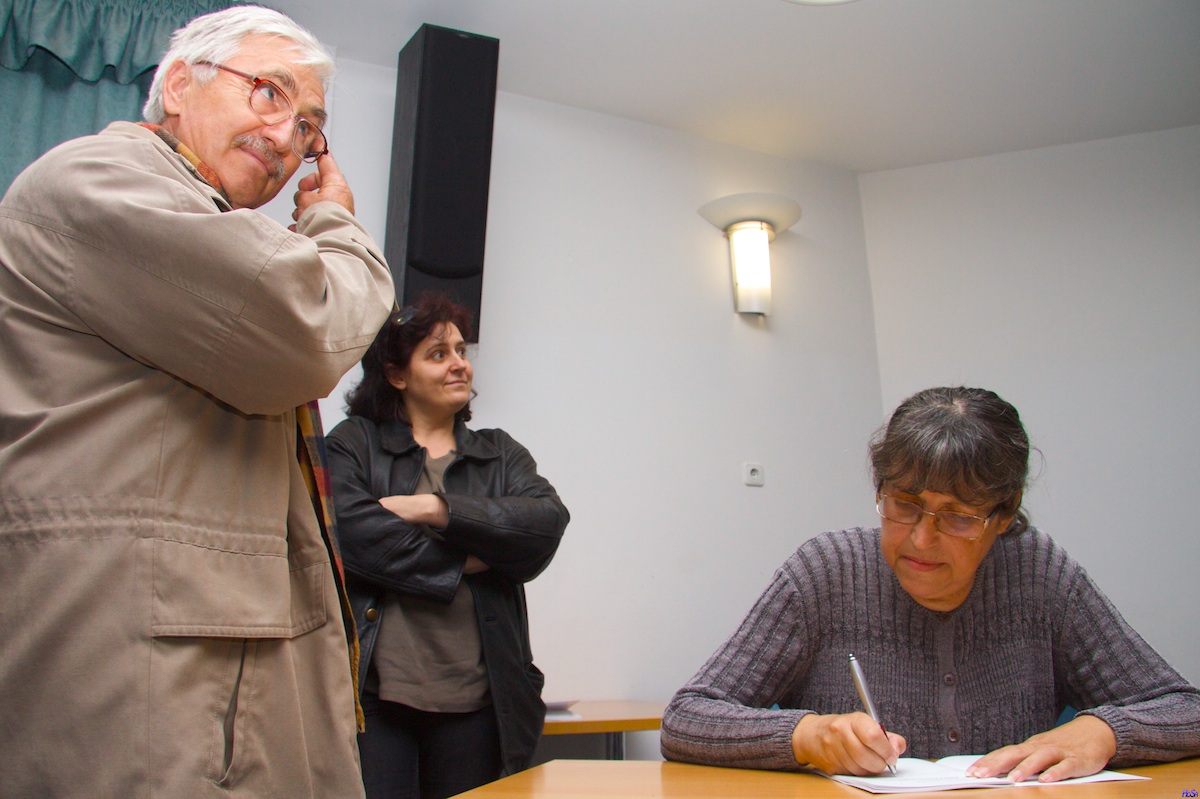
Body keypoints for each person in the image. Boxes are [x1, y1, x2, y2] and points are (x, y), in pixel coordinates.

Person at [0, 6, 394, 797]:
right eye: (270, 93)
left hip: (203, 659)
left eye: (310, 127)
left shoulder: (208, 224)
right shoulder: (99, 178)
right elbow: (309, 328)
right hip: (145, 671)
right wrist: (335, 225)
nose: (287, 136)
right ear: (179, 85)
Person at [661, 387, 1200, 783]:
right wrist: (805, 737)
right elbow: (687, 719)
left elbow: (1184, 709)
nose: (921, 539)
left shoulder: (1039, 575)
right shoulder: (827, 573)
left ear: (1003, 514)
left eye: (958, 517)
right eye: (903, 505)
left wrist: (1104, 733)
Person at [327, 293, 569, 799]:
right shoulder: (355, 442)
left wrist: (436, 509)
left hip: (479, 702)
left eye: (461, 350)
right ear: (397, 375)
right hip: (374, 699)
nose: (459, 363)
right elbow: (350, 534)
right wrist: (471, 560)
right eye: (438, 354)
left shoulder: (500, 454)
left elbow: (546, 523)